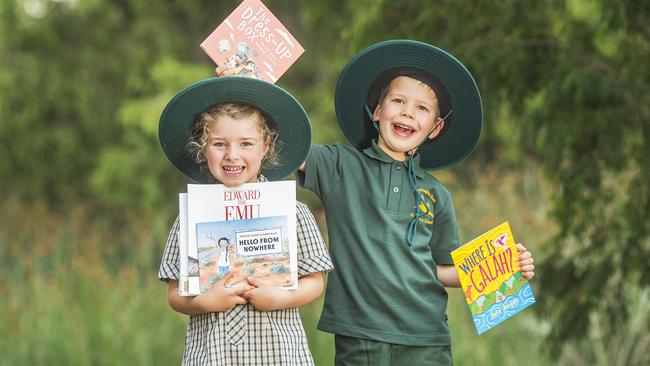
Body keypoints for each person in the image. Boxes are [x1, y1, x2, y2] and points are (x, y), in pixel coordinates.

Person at [298, 40, 536, 365]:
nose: (408, 111)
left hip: (427, 336)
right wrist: (247, 81)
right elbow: (287, 145)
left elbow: (441, 271)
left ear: (435, 128)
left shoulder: (437, 193)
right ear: (377, 111)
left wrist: (505, 266)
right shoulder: (340, 165)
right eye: (398, 100)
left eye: (422, 108)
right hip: (363, 333)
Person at [157, 77, 333, 365]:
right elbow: (175, 294)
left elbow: (315, 282)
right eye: (219, 144)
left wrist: (279, 299)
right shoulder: (190, 215)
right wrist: (204, 302)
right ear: (203, 148)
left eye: (246, 143)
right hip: (213, 356)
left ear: (265, 147)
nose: (232, 155)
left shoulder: (293, 210)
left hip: (279, 355)